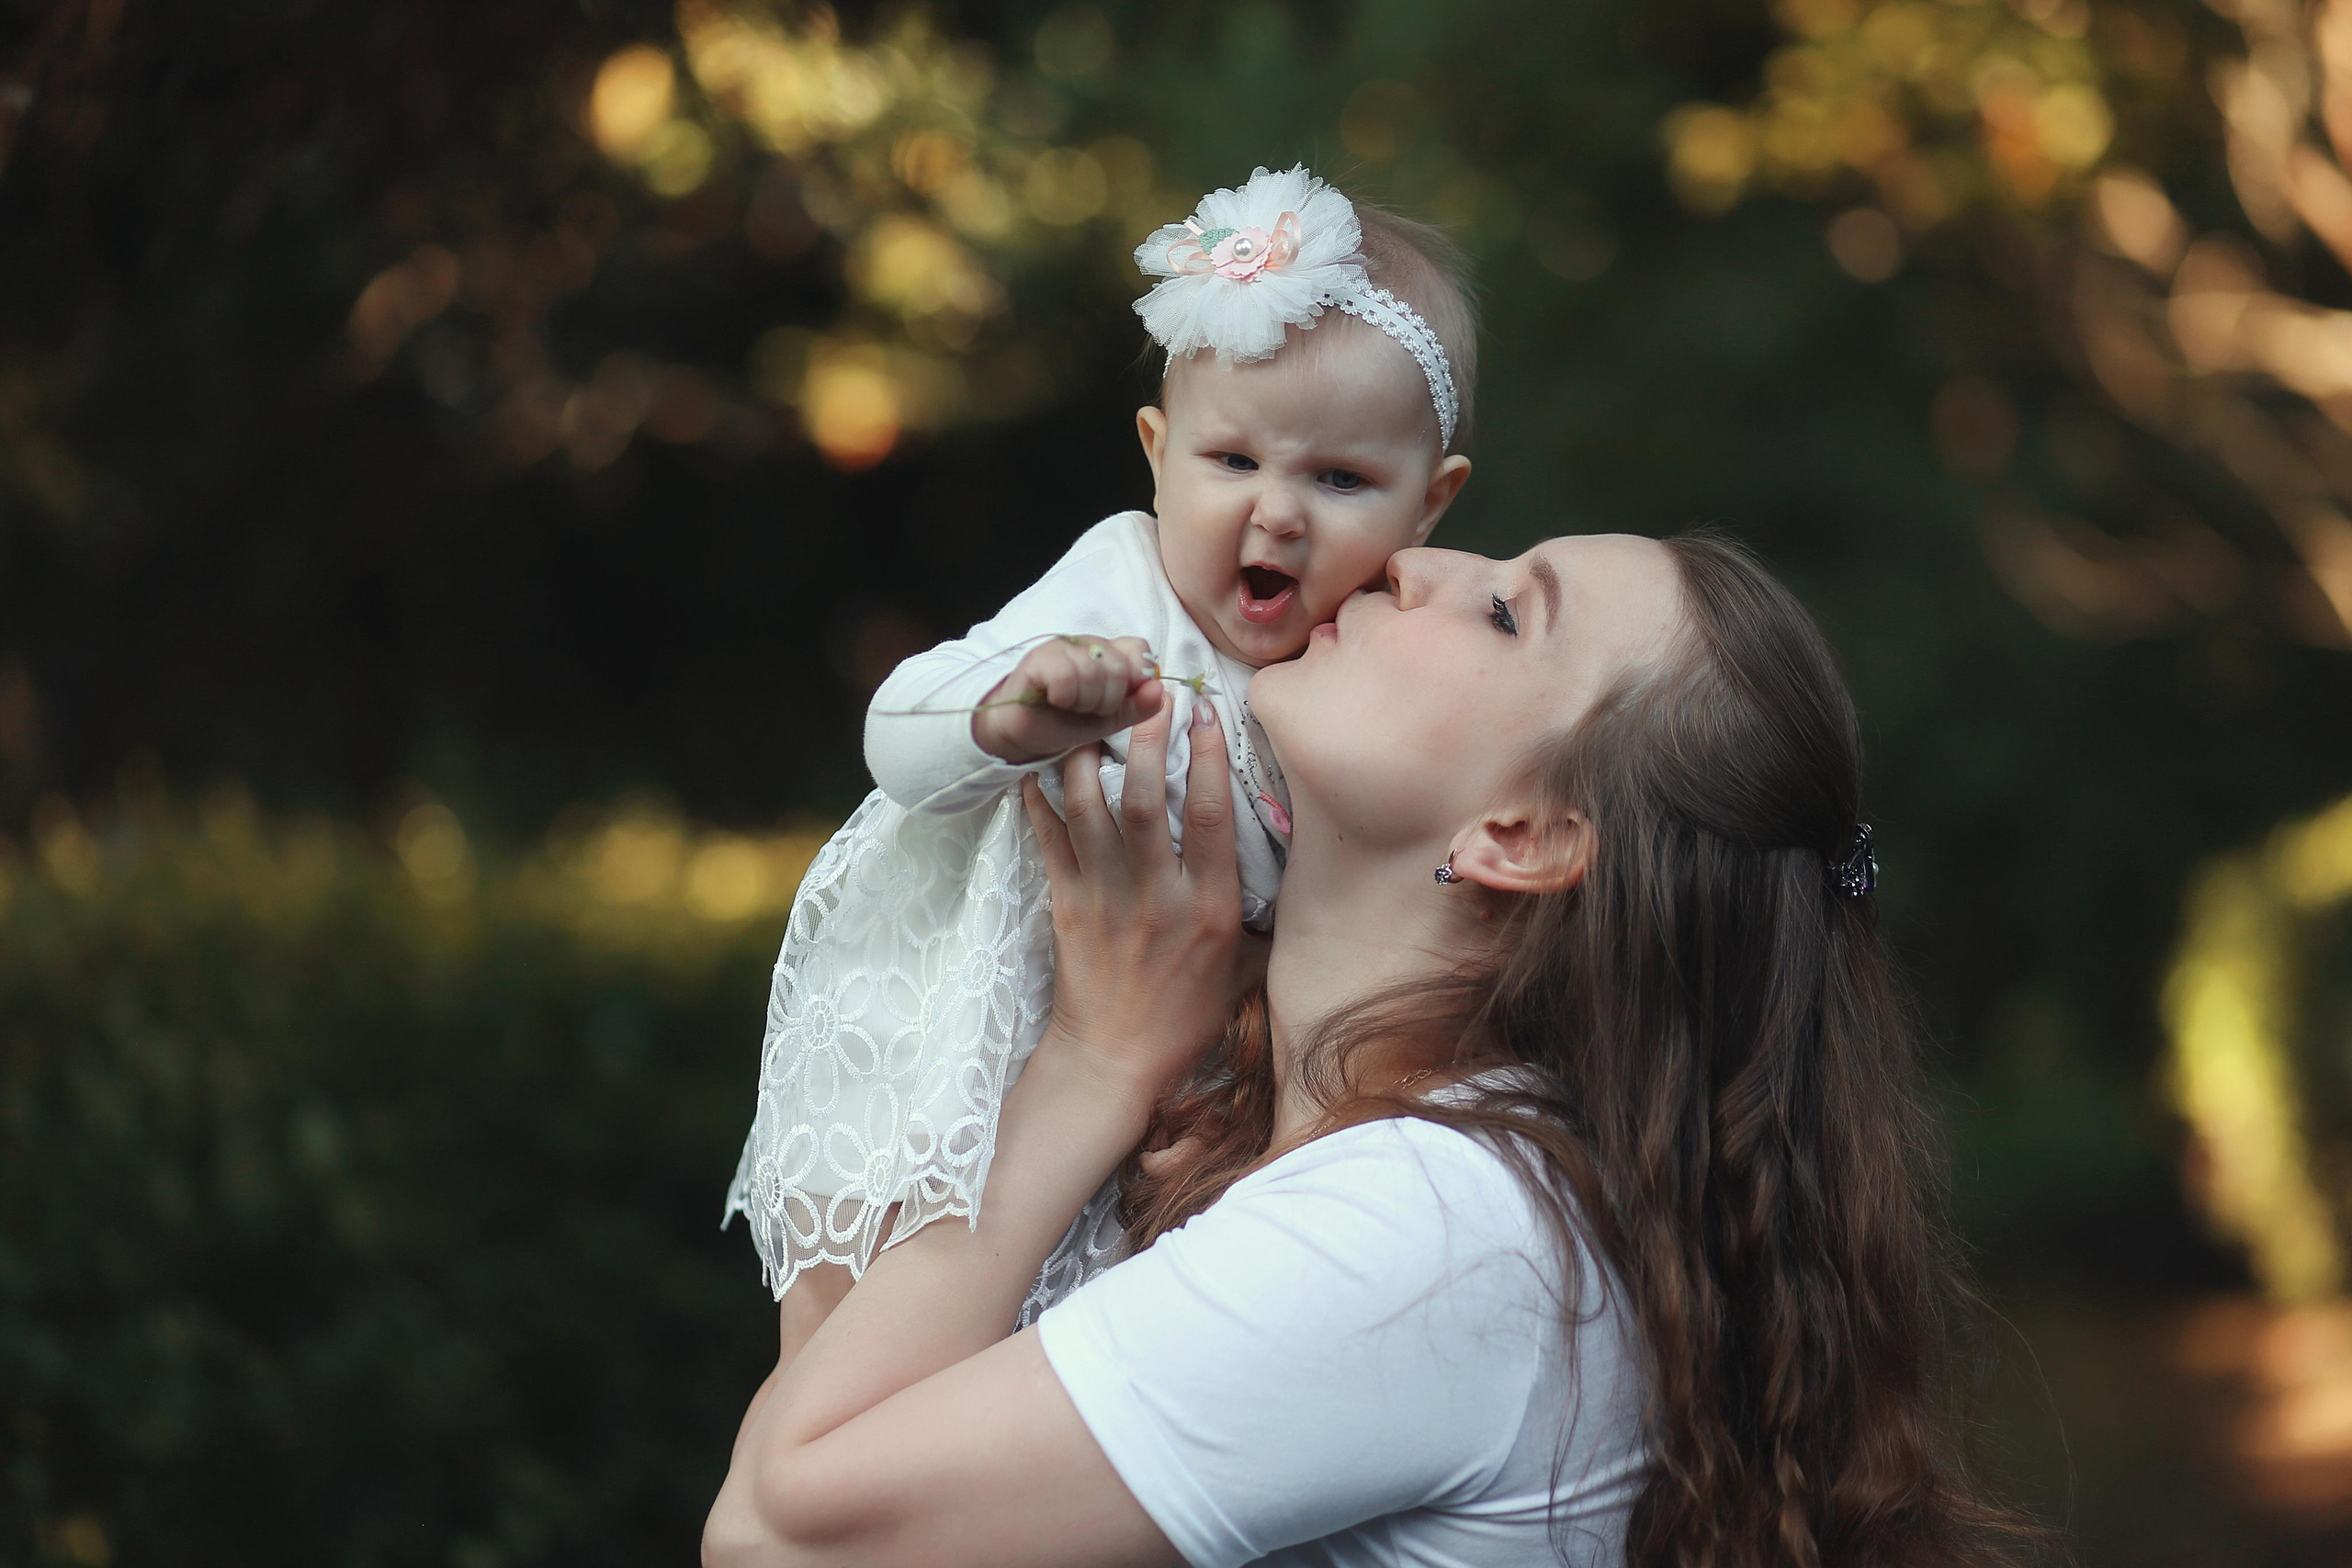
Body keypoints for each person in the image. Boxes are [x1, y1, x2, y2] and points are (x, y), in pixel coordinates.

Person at [701, 531, 2035, 1567]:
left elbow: (776, 1535)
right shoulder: (1351, 1153)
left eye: (1506, 612)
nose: (1413, 560)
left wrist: (1097, 1059)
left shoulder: (1439, 1232)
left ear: (1522, 837)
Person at [722, 164, 1477, 1314]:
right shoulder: (1119, 590)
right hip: (949, 1048)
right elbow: (896, 742)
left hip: (1165, 1108)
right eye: (1233, 461)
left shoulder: (1379, 673)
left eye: (1339, 478)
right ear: (1156, 451)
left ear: (1429, 503)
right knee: (852, 1329)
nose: (1276, 511)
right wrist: (1008, 712)